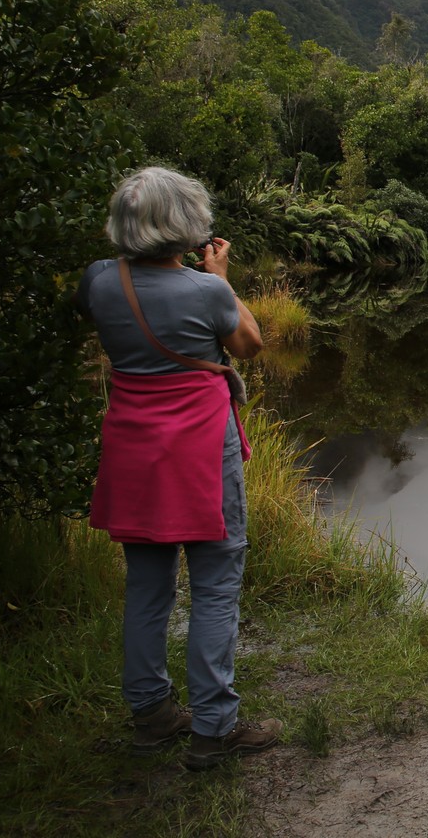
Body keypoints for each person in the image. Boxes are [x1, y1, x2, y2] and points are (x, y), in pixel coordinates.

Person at [77, 166, 283, 771]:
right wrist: (218, 276)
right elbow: (248, 345)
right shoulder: (205, 290)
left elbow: (98, 313)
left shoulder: (97, 281)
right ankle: (215, 727)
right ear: (187, 227)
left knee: (147, 586)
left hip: (133, 449)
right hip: (199, 451)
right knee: (215, 584)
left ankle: (151, 716)